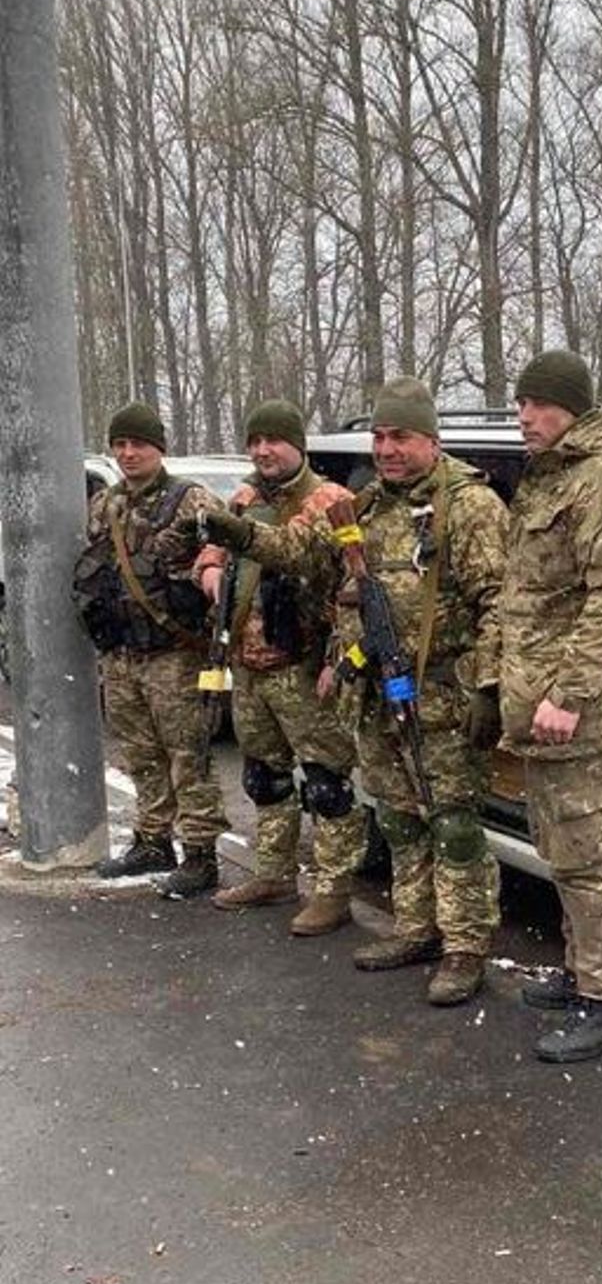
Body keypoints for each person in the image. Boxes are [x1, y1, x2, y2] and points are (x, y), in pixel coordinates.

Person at [202, 378, 507, 1006]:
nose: (387, 449)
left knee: (452, 825)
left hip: (442, 700)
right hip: (378, 695)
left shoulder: (470, 506)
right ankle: (417, 929)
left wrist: (489, 685)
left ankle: (464, 948)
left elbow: (501, 604)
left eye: (401, 437)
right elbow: (305, 555)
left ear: (431, 439)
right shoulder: (365, 506)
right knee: (398, 819)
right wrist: (242, 536)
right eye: (380, 437)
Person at [501, 351, 602, 1063]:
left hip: (578, 711)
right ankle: (581, 972)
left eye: (538, 403)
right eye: (520, 403)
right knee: (561, 850)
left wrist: (567, 694)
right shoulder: (552, 476)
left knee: (587, 859)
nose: (524, 416)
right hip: (542, 703)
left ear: (572, 406)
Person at [194, 400, 367, 936]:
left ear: (298, 445)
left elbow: (353, 585)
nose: (263, 451)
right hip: (249, 666)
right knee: (263, 777)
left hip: (303, 667)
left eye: (273, 440)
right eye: (255, 441)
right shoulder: (245, 498)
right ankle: (273, 874)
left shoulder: (330, 501)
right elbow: (213, 551)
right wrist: (210, 571)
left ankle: (334, 892)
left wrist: (338, 659)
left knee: (327, 784)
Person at [72, 402, 229, 897]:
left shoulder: (190, 500)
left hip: (174, 654)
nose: (128, 453)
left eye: (138, 444)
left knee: (188, 755)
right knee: (141, 753)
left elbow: (224, 554)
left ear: (158, 448)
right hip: (122, 653)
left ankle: (200, 853)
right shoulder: (106, 504)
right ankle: (153, 840)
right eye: (120, 444)